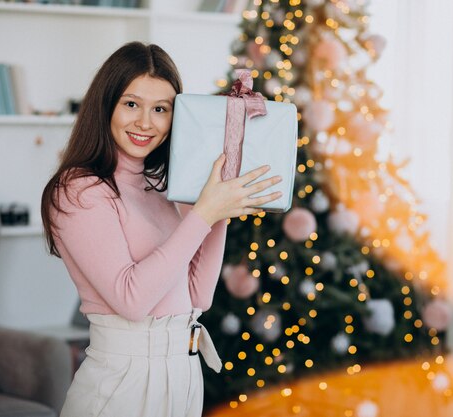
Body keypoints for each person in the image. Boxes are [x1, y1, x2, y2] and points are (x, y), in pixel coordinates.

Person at [40, 41, 282, 417]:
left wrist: (218, 212)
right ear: (106, 105)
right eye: (131, 104)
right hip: (122, 381)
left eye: (161, 109)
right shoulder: (78, 190)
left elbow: (199, 296)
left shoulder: (165, 188)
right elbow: (131, 300)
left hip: (183, 375)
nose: (145, 123)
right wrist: (204, 213)